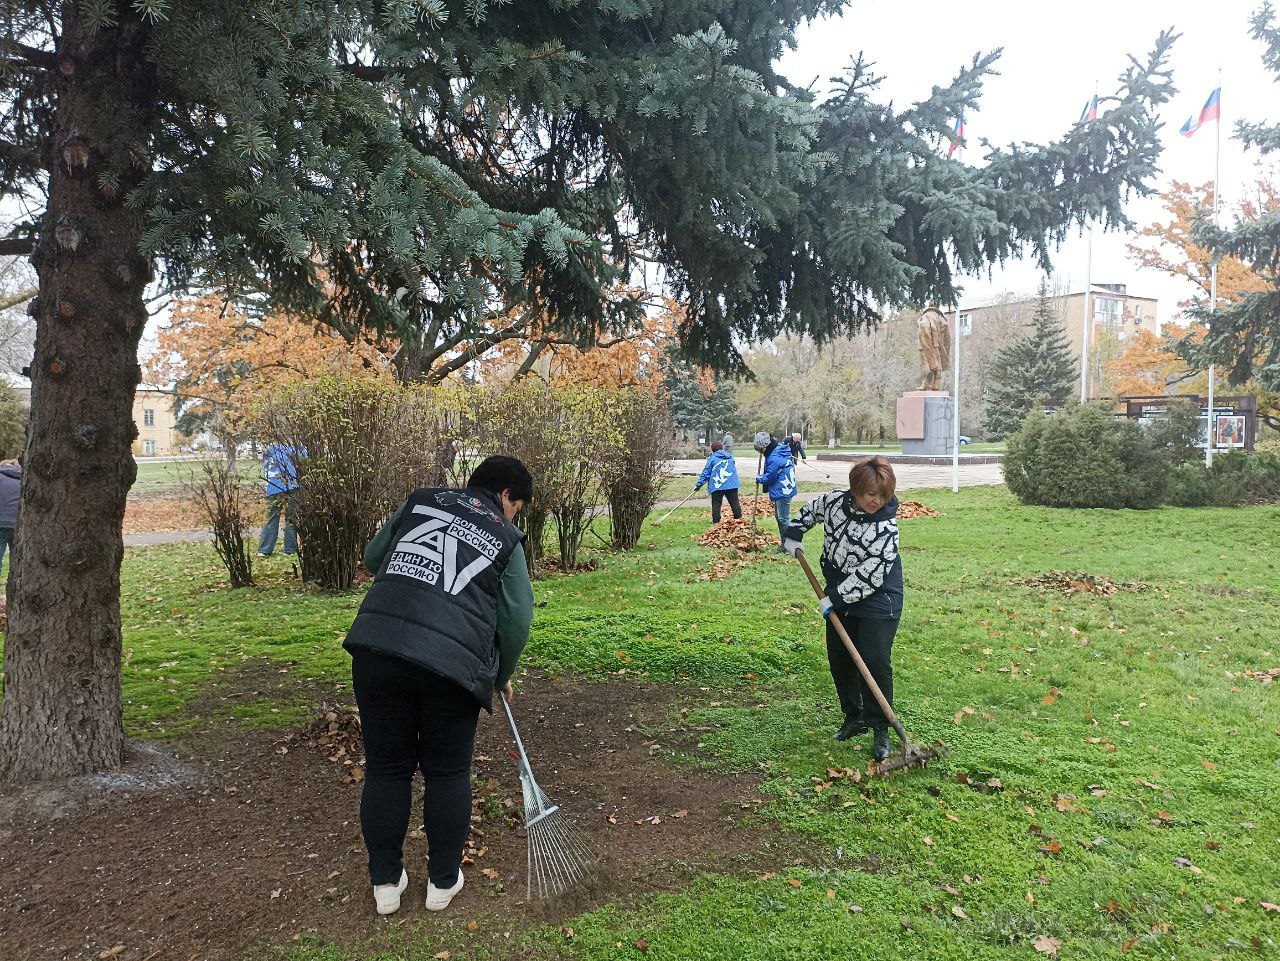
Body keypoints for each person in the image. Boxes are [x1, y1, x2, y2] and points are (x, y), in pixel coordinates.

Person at [343, 456, 535, 916]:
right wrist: (500, 676)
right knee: (447, 772)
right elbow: (517, 618)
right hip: (450, 665)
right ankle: (442, 882)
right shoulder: (505, 535)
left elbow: (373, 557)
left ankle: (386, 885)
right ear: (507, 496)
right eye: (519, 507)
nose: (515, 516)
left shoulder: (422, 501)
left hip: (377, 648)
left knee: (387, 769)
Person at [782, 456, 902, 761]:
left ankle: (880, 728)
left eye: (883, 496)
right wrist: (794, 533)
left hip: (878, 597)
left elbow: (871, 575)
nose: (876, 501)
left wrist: (834, 597)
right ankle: (854, 717)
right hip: (838, 590)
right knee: (841, 658)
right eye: (870, 494)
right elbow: (810, 511)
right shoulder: (835, 502)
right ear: (855, 490)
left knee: (873, 661)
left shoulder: (886, 528)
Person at [754, 431, 797, 552]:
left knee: (783, 519)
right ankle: (784, 544)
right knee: (780, 518)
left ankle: (790, 545)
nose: (760, 453)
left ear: (765, 447)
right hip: (783, 488)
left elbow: (769, 477)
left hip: (783, 489)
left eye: (760, 450)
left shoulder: (774, 457)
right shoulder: (777, 451)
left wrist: (759, 477)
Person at [258, 443, 301, 557]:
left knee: (271, 518)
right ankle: (290, 550)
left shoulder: (269, 448)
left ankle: (265, 550)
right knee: (291, 519)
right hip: (292, 486)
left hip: (273, 486)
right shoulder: (297, 448)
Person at [694, 441, 742, 522]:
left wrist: (698, 485)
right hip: (732, 484)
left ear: (713, 450)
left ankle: (716, 523)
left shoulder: (712, 459)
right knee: (735, 503)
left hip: (717, 485)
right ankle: (739, 521)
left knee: (716, 504)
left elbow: (706, 473)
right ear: (722, 448)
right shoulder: (730, 457)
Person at [0, 458, 20, 572]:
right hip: (19, 524)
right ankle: (15, 586)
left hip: (1, 522)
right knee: (17, 559)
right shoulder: (25, 480)